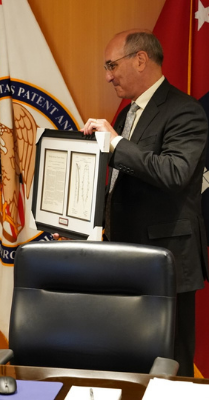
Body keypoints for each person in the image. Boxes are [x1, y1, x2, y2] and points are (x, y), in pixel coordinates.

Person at [81, 29, 208, 376]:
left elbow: (175, 172)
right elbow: (123, 182)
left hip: (166, 262)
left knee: (171, 367)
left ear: (140, 59)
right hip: (127, 258)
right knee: (131, 362)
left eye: (111, 65)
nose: (107, 76)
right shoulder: (127, 113)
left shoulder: (186, 111)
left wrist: (117, 143)